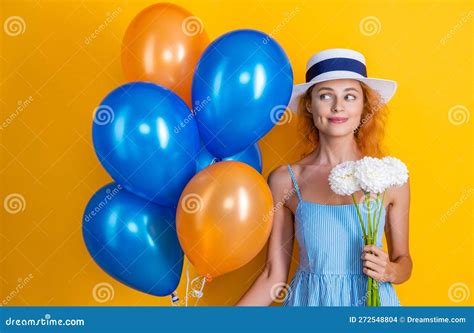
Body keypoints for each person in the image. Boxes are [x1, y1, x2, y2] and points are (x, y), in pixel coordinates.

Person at [236, 48, 412, 306]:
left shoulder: (392, 177)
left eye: (350, 96)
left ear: (364, 105)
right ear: (309, 104)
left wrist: (391, 271)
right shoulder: (285, 181)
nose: (338, 106)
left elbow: (404, 260)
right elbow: (273, 278)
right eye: (325, 95)